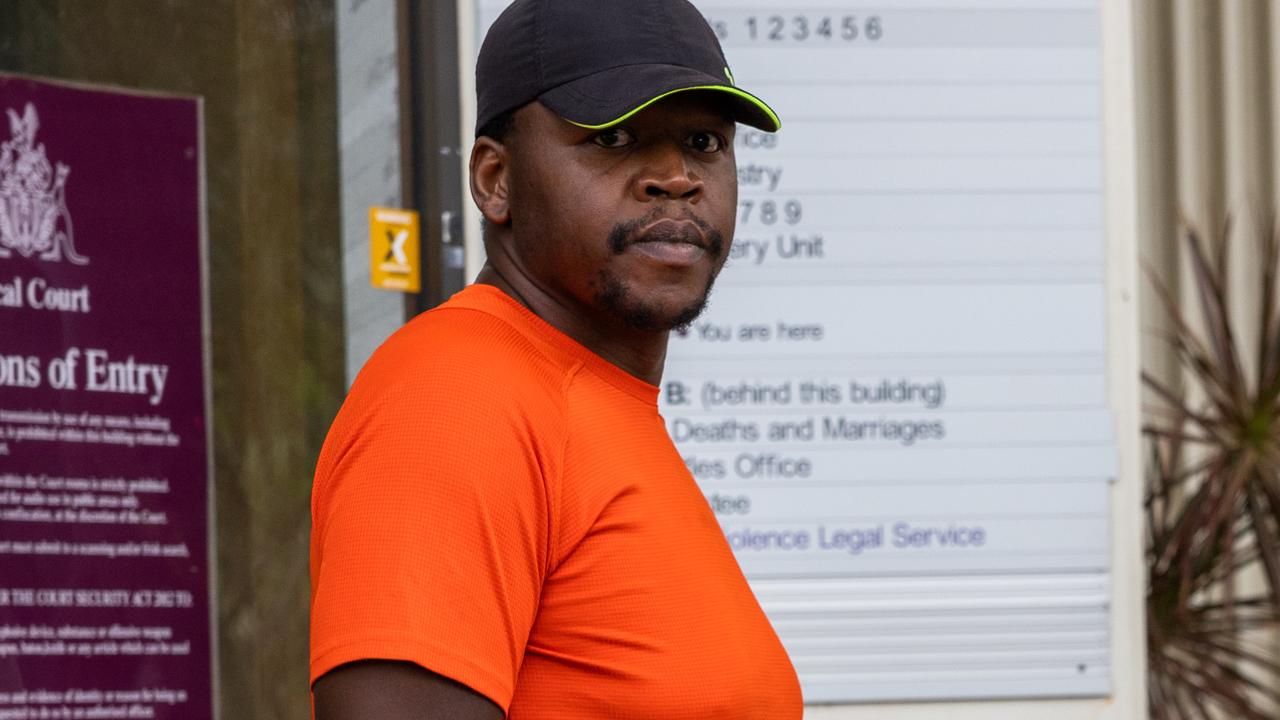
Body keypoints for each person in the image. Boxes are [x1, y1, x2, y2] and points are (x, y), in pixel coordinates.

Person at [309, 1, 801, 717]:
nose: (675, 177)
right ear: (495, 179)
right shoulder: (455, 399)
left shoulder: (588, 400)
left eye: (703, 141)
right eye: (613, 137)